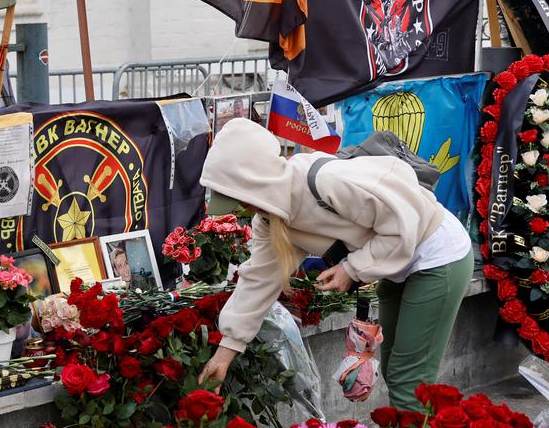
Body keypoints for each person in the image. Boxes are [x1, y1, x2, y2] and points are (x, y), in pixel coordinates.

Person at [197, 119, 472, 412]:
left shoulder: (326, 181)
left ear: (256, 181)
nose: (242, 207)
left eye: (240, 198)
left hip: (437, 254)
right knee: (397, 373)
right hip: (396, 263)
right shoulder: (270, 218)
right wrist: (225, 353)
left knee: (410, 382)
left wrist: (351, 269)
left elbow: (405, 225)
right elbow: (258, 281)